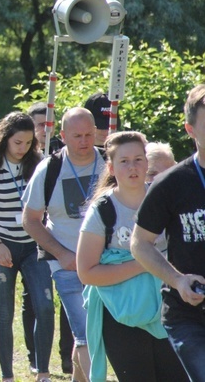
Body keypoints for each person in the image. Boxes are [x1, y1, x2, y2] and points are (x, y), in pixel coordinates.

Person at [77, 131, 186, 381]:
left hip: (171, 310)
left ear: (147, 163)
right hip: (121, 318)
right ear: (111, 168)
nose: (133, 167)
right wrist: (145, 263)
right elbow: (87, 272)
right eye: (124, 161)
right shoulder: (102, 211)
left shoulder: (167, 200)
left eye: (139, 159)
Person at [22, 107, 106, 381]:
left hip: (109, 264)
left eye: (89, 135)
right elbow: (31, 220)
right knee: (84, 334)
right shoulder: (50, 168)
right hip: (66, 264)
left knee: (98, 333)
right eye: (77, 136)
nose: (84, 141)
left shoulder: (110, 162)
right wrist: (61, 253)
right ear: (62, 136)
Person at [131, 84, 205, 380]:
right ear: (190, 130)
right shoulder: (171, 183)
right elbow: (140, 243)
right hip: (188, 312)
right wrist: (177, 280)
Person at [0, 112, 53, 382]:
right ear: (5, 139)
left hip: (34, 245)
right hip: (1, 244)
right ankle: (7, 375)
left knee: (44, 305)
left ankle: (42, 371)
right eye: (18, 142)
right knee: (4, 311)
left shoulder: (40, 162)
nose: (23, 148)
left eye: (28, 143)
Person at [26, 101, 72, 374]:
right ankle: (34, 355)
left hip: (59, 236)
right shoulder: (22, 152)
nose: (45, 129)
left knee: (67, 297)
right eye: (40, 124)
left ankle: (68, 356)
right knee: (35, 298)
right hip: (29, 235)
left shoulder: (59, 155)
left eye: (49, 124)